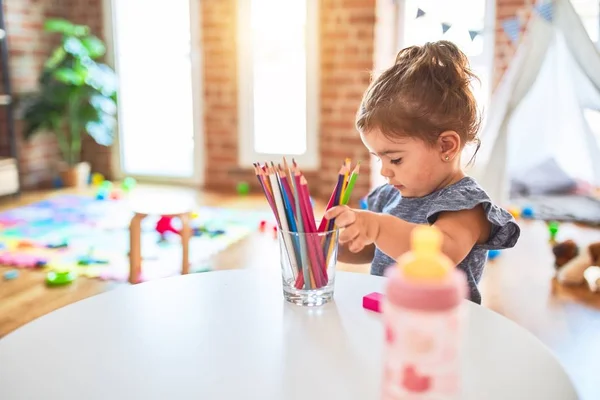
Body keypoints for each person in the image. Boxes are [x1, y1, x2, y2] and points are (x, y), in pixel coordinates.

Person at [325, 40, 520, 304]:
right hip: (392, 317)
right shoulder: (389, 196)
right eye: (378, 158)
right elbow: (375, 249)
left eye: (395, 159)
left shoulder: (466, 204)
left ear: (446, 146)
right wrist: (336, 243)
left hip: (441, 328)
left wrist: (376, 225)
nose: (385, 171)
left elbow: (441, 251)